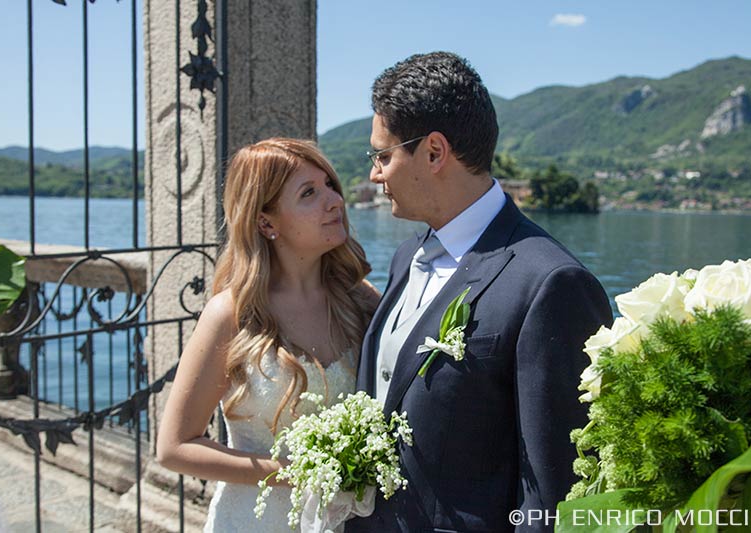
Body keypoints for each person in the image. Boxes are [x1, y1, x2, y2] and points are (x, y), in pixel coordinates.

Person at [346, 52, 613, 532]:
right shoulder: (408, 255)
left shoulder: (551, 283)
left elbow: (553, 495)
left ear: (433, 152)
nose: (374, 175)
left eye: (383, 156)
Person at [156, 138, 379, 532]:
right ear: (266, 222)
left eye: (330, 186)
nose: (335, 201)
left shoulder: (362, 301)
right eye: (309, 193)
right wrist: (292, 473)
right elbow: (174, 448)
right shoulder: (231, 315)